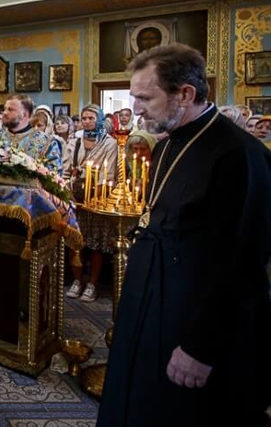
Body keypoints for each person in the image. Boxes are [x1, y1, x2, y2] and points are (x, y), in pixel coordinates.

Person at [99, 44, 271, 427]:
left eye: (145, 97)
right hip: (151, 306)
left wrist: (201, 346)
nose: (136, 108)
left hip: (193, 324)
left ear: (186, 94)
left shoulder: (238, 156)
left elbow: (242, 265)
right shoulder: (165, 145)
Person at [62, 104, 118, 303]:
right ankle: (77, 281)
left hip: (96, 198)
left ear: (99, 120)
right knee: (76, 242)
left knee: (95, 244)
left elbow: (109, 173)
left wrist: (97, 193)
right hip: (75, 197)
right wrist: (67, 189)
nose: (86, 121)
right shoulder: (75, 140)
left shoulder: (109, 143)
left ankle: (92, 284)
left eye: (91, 118)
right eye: (84, 118)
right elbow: (67, 168)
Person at [0, 95, 63, 173]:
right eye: (5, 109)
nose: (4, 113)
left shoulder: (47, 142)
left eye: (10, 110)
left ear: (24, 115)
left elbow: (54, 175)